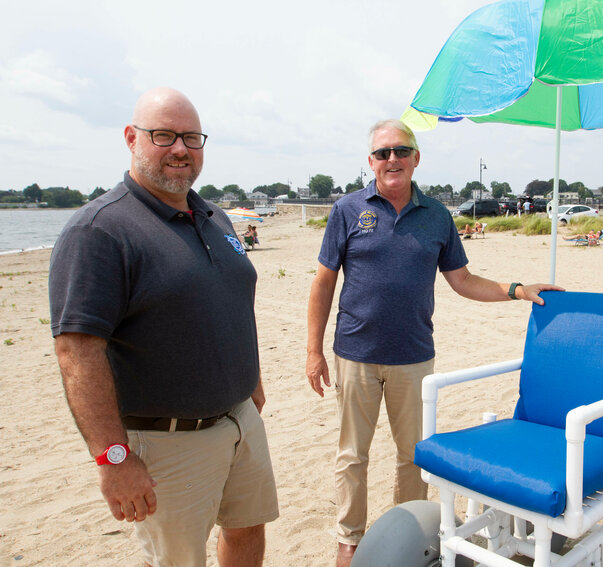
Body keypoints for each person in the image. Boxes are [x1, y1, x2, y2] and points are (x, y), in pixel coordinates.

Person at [305, 119, 563, 567]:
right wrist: (313, 351)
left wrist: (516, 289)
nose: (392, 160)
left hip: (413, 357)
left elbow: (462, 280)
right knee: (352, 455)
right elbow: (324, 282)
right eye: (383, 153)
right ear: (370, 161)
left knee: (412, 456)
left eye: (401, 151)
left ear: (416, 159)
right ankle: (349, 538)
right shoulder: (348, 210)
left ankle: (407, 530)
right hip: (354, 354)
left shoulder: (439, 216)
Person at [48, 87, 278, 567]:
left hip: (239, 421)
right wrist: (113, 459)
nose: (180, 149)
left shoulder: (215, 217)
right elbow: (77, 353)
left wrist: (249, 377)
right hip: (166, 442)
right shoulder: (100, 231)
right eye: (163, 136)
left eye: (191, 138)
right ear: (132, 139)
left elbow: (234, 300)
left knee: (246, 530)